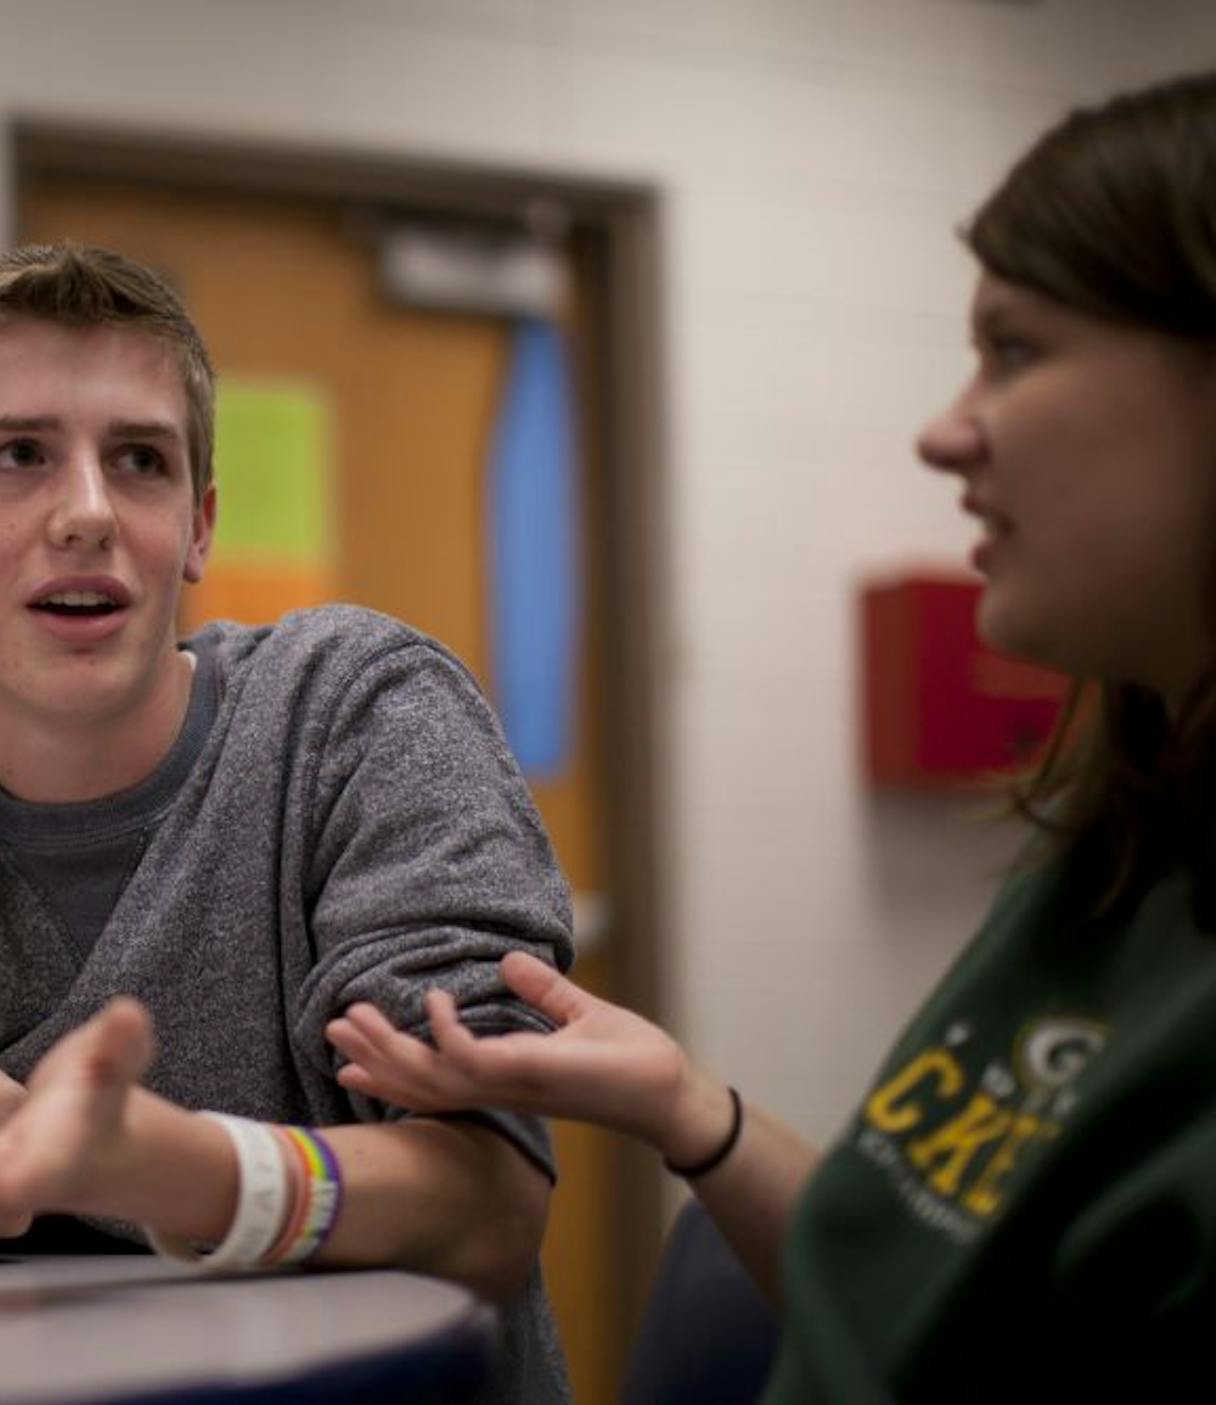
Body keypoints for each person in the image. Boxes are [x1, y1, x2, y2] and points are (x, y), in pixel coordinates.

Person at [325, 70, 1216, 1401]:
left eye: (1018, 349)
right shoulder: (1112, 856)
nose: (945, 432)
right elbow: (943, 1321)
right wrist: (686, 1108)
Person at [0, 244, 577, 1401]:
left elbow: (491, 1204)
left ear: (198, 526)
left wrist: (159, 1168)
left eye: (141, 461)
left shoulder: (356, 718)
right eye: (18, 455)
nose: (89, 512)